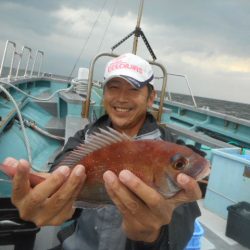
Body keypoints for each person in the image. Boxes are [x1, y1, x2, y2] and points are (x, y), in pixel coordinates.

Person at [4, 53, 202, 250]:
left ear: (151, 98)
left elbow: (182, 223)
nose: (121, 98)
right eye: (113, 88)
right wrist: (49, 196)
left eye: (133, 89)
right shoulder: (86, 137)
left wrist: (153, 236)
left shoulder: (171, 150)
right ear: (104, 93)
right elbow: (62, 170)